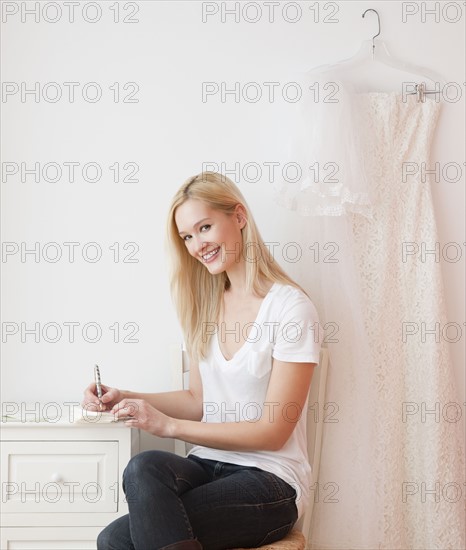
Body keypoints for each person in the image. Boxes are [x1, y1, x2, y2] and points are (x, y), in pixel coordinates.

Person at [83, 171, 322, 550]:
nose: (197, 245)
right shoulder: (204, 306)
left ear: (239, 217)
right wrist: (123, 395)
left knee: (117, 541)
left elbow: (273, 432)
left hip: (270, 480)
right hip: (208, 468)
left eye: (204, 227)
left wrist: (169, 427)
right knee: (142, 469)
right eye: (187, 237)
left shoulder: (291, 309)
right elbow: (198, 400)